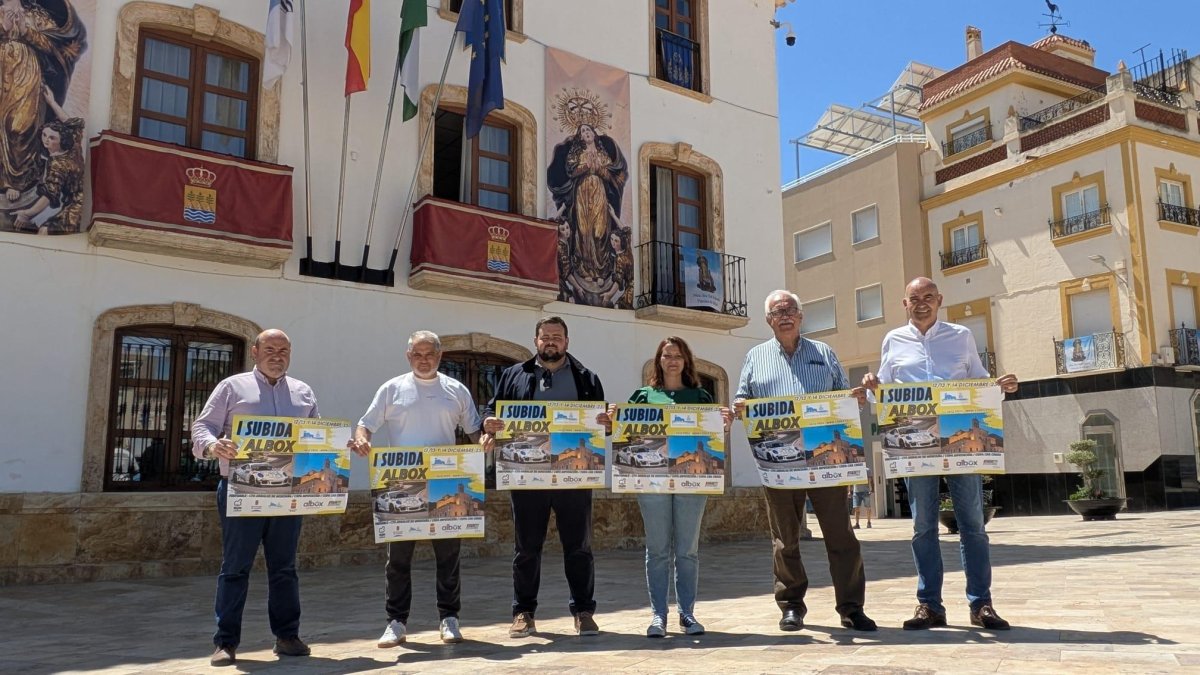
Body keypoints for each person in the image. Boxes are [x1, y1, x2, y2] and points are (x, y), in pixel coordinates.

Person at [860, 277, 1019, 631]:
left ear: (939, 300)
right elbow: (880, 396)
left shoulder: (961, 336)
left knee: (973, 526)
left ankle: (981, 605)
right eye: (914, 298)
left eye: (928, 297)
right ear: (905, 304)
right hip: (916, 447)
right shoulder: (893, 340)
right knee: (922, 527)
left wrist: (999, 388)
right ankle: (929, 605)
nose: (921, 303)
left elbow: (979, 382)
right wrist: (873, 387)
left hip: (959, 445)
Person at [734, 290, 877, 633]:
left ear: (800, 317)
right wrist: (740, 406)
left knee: (841, 536)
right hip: (779, 465)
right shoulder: (755, 356)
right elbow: (743, 398)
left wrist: (855, 397)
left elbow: (846, 398)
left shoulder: (824, 353)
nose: (784, 316)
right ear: (768, 320)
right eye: (777, 312)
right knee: (785, 539)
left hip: (825, 459)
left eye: (790, 310)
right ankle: (791, 606)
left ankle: (851, 608)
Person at [348, 331, 482, 647]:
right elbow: (365, 424)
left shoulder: (456, 389)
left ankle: (449, 618)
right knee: (398, 560)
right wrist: (363, 438)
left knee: (449, 556)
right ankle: (396, 622)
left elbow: (475, 430)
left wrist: (486, 444)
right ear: (408, 357)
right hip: (401, 484)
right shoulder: (392, 389)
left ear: (440, 356)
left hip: (444, 485)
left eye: (430, 354)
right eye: (418, 354)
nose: (424, 359)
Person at [191, 329, 316, 666]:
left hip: (288, 494)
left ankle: (288, 636)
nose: (278, 356)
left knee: (285, 568)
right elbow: (201, 427)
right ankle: (226, 642)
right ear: (255, 352)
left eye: (284, 350)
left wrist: (334, 452)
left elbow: (317, 440)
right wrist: (215, 445)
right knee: (235, 568)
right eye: (270, 349)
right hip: (240, 490)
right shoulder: (232, 387)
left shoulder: (304, 393)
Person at [481, 316, 605, 637]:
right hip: (527, 477)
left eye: (557, 337)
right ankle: (523, 612)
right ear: (535, 341)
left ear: (567, 341)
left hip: (574, 477)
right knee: (526, 548)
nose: (551, 341)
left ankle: (583, 611)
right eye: (545, 336)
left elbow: (600, 425)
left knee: (578, 546)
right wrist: (489, 423)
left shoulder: (587, 378)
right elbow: (491, 411)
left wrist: (607, 420)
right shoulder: (514, 375)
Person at [613, 336, 732, 637]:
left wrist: (725, 422)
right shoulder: (643, 396)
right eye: (667, 356)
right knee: (657, 550)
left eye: (678, 355)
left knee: (687, 550)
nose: (673, 360)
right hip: (651, 482)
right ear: (659, 360)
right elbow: (625, 432)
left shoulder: (701, 397)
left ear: (686, 360)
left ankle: (688, 614)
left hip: (692, 480)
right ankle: (658, 616)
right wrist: (613, 417)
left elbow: (713, 435)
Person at [0, 0, 87, 207]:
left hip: (27, 73)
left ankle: (16, 181)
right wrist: (3, 28)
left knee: (21, 125)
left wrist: (24, 30)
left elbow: (51, 46)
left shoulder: (37, 14)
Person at [547, 117, 629, 304]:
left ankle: (599, 271)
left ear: (594, 134)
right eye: (583, 131)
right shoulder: (577, 153)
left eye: (588, 130)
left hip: (599, 191)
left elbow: (611, 176)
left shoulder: (602, 153)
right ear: (580, 137)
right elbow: (570, 171)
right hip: (582, 193)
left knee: (600, 231)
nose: (586, 133)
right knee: (584, 231)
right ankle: (585, 271)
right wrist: (585, 167)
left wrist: (599, 169)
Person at [13, 85, 83, 233]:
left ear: (61, 140)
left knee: (44, 231)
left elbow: (48, 195)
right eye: (44, 135)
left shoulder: (58, 165)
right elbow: (72, 124)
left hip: (75, 207)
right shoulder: (73, 148)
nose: (46, 140)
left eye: (52, 138)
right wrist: (51, 102)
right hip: (74, 203)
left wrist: (27, 214)